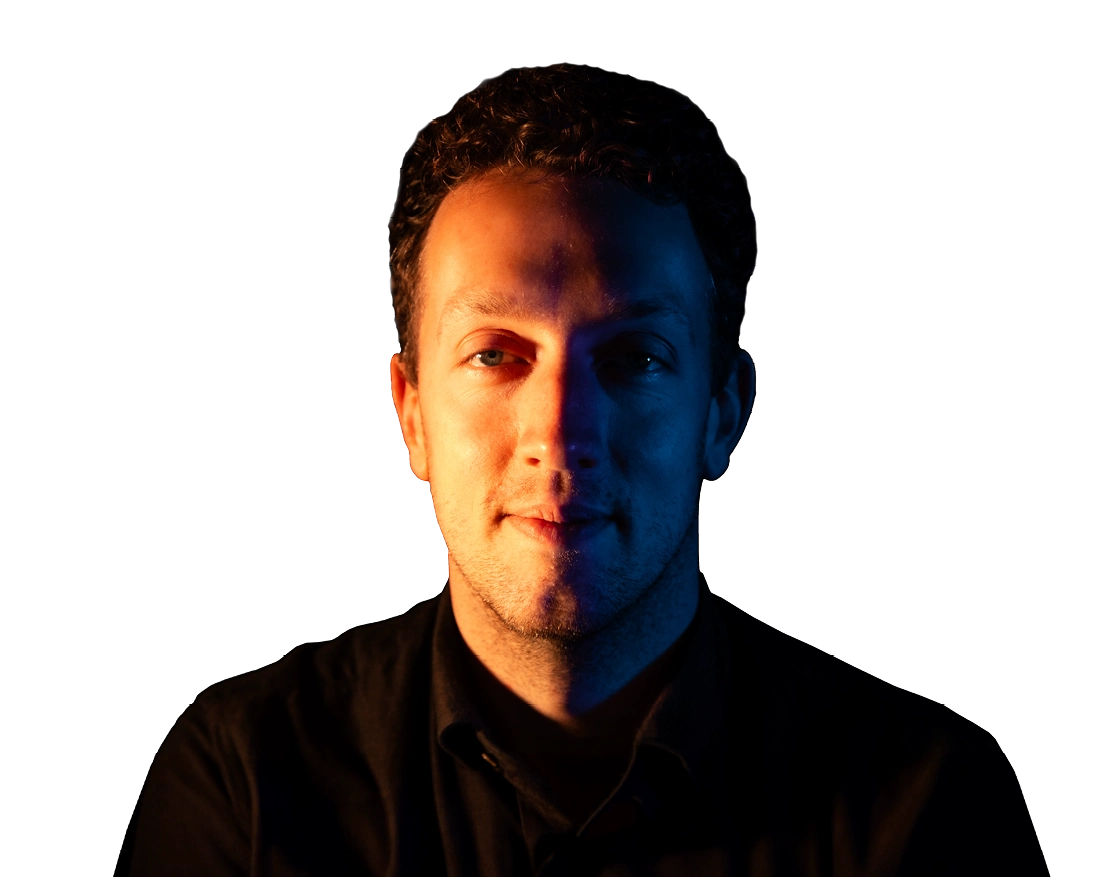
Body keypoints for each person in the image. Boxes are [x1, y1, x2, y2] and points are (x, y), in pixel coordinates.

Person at [117, 62, 1047, 876]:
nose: (559, 432)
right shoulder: (242, 787)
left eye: (633, 357)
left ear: (722, 413)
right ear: (409, 413)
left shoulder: (926, 806)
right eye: (495, 353)